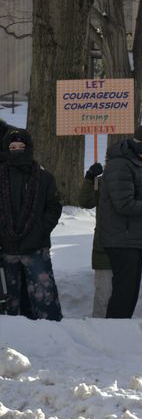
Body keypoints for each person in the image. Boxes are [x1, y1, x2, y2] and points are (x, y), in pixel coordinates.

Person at [0, 128, 63, 320]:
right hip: (6, 249)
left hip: (36, 248)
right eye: (12, 147)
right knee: (9, 299)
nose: (17, 150)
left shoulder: (44, 178)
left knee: (44, 296)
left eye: (21, 146)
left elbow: (53, 207)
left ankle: (52, 333)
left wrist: (41, 230)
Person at [97, 125, 142, 319]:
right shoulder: (121, 165)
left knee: (130, 294)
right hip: (121, 239)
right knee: (124, 293)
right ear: (141, 148)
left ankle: (120, 333)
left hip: (131, 239)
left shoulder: (136, 166)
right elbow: (125, 204)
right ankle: (114, 333)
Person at [78, 161, 112, 317]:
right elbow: (86, 201)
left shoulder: (135, 177)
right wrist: (90, 178)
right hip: (103, 247)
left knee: (122, 295)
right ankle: (98, 329)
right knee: (103, 295)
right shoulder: (103, 182)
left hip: (127, 247)